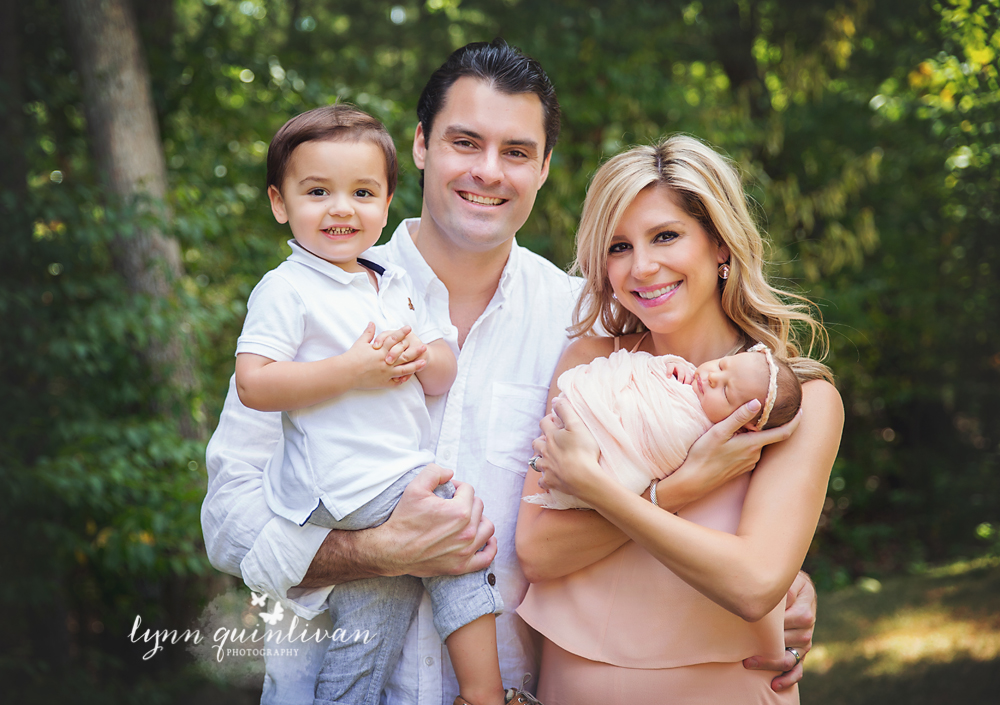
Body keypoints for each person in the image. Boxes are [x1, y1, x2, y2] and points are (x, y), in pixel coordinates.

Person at [201, 40, 817, 705]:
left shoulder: (584, 330)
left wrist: (776, 585)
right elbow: (228, 518)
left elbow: (627, 494)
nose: (487, 171)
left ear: (545, 166)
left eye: (517, 152)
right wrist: (379, 550)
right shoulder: (311, 297)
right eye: (465, 142)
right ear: (420, 146)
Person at [515, 134, 844, 703]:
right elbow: (541, 552)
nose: (642, 267)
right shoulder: (592, 363)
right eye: (618, 247)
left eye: (665, 236)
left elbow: (753, 583)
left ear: (720, 245)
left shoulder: (799, 401)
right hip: (575, 685)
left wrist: (605, 491)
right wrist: (682, 485)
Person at [232, 103, 526, 705]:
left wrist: (419, 354)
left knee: (371, 624)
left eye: (362, 192)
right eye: (318, 191)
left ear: (387, 202)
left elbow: (441, 372)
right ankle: (485, 693)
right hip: (346, 481)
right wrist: (352, 371)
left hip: (371, 484)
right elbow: (253, 384)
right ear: (279, 203)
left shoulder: (390, 282)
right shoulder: (286, 287)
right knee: (457, 531)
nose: (342, 208)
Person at [524, 344, 802, 511]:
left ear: (745, 423)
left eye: (727, 392)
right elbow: (643, 372)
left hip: (608, 461)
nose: (713, 377)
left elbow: (659, 439)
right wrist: (667, 366)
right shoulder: (688, 378)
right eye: (721, 365)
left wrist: (584, 473)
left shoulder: (703, 432)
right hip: (581, 416)